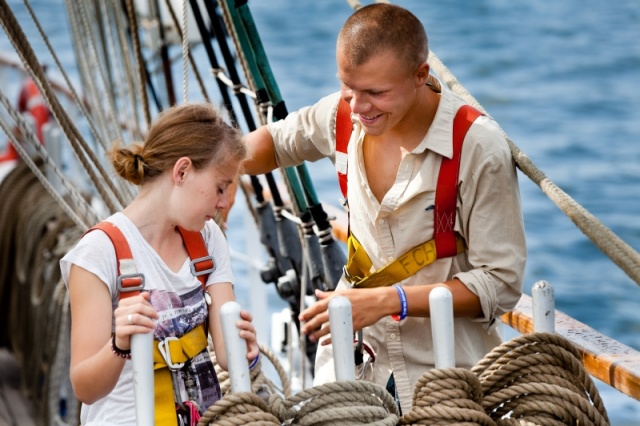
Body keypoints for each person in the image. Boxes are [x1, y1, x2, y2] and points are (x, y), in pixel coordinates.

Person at [241, 3, 526, 414]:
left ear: (421, 76)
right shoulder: (343, 116)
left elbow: (500, 283)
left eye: (375, 92)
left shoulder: (477, 147)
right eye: (347, 88)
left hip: (446, 372)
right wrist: (221, 167)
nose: (358, 107)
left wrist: (389, 301)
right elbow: (277, 142)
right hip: (353, 360)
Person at [60, 103, 259, 425]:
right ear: (181, 171)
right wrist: (119, 344)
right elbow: (85, 387)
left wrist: (246, 349)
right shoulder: (98, 253)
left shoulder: (208, 240)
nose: (224, 203)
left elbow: (226, 352)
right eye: (221, 187)